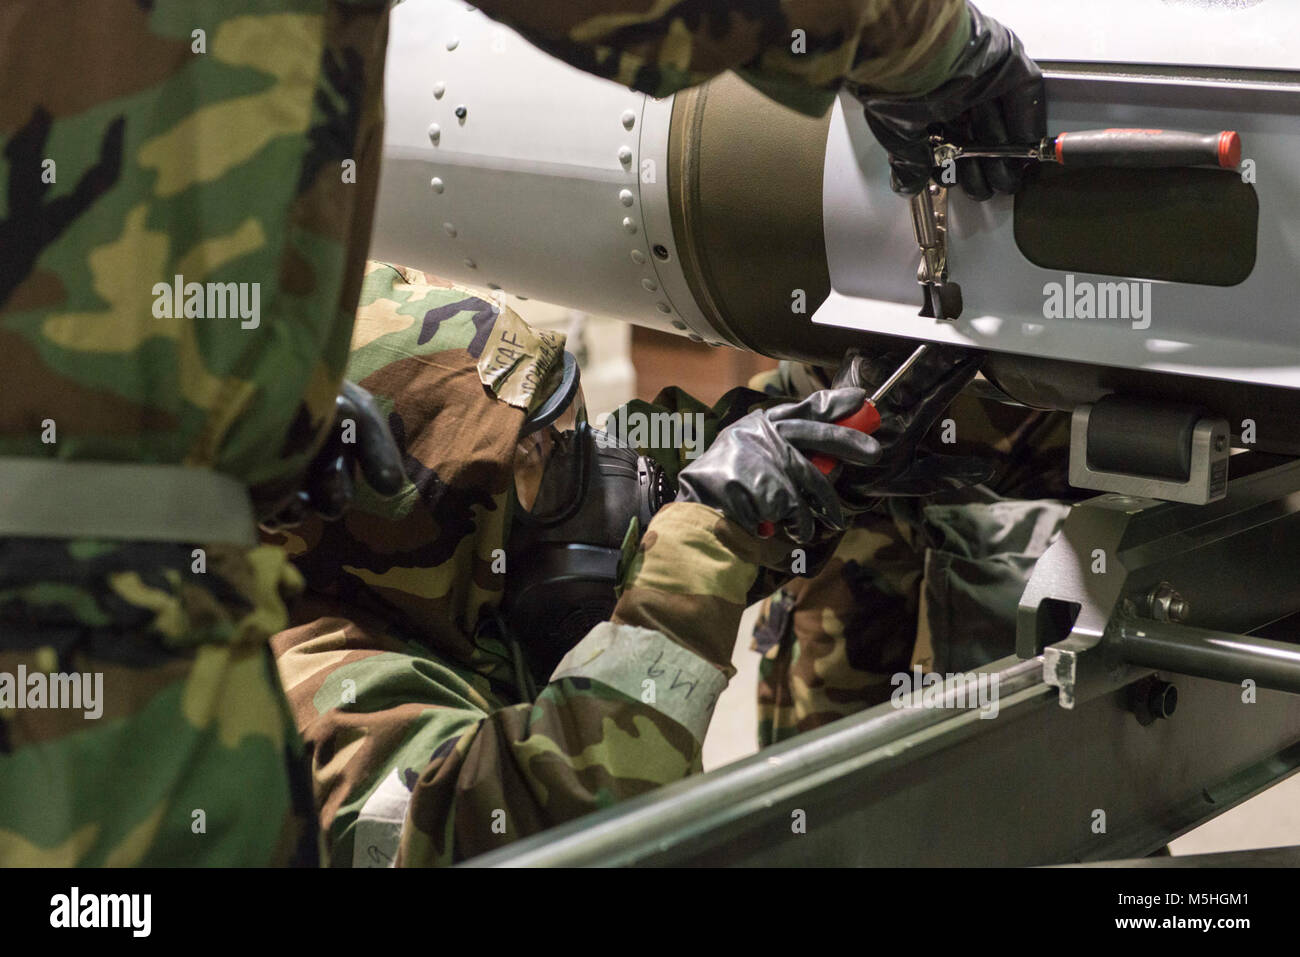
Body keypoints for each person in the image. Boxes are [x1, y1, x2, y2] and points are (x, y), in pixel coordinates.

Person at [1, 0, 1040, 865]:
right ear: (414, 529)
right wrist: (707, 550)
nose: (607, 491)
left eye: (571, 436)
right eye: (544, 470)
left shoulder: (462, 539)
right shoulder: (316, 689)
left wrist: (847, 411)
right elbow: (549, 831)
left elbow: (704, 457)